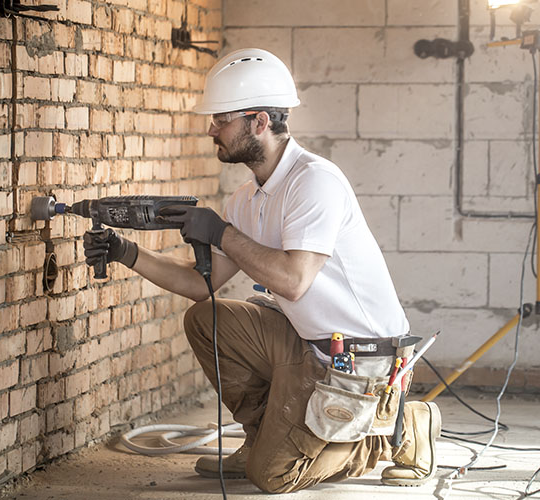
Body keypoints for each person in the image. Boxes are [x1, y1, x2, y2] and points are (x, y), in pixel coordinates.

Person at [83, 48, 441, 494]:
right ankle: (262, 434)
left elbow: (293, 280)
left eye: (221, 120)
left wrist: (221, 234)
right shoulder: (246, 200)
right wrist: (127, 252)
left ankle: (400, 423)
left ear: (259, 122)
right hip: (305, 343)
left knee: (272, 476)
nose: (211, 129)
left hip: (362, 359)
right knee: (207, 319)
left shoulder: (315, 182)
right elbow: (202, 286)